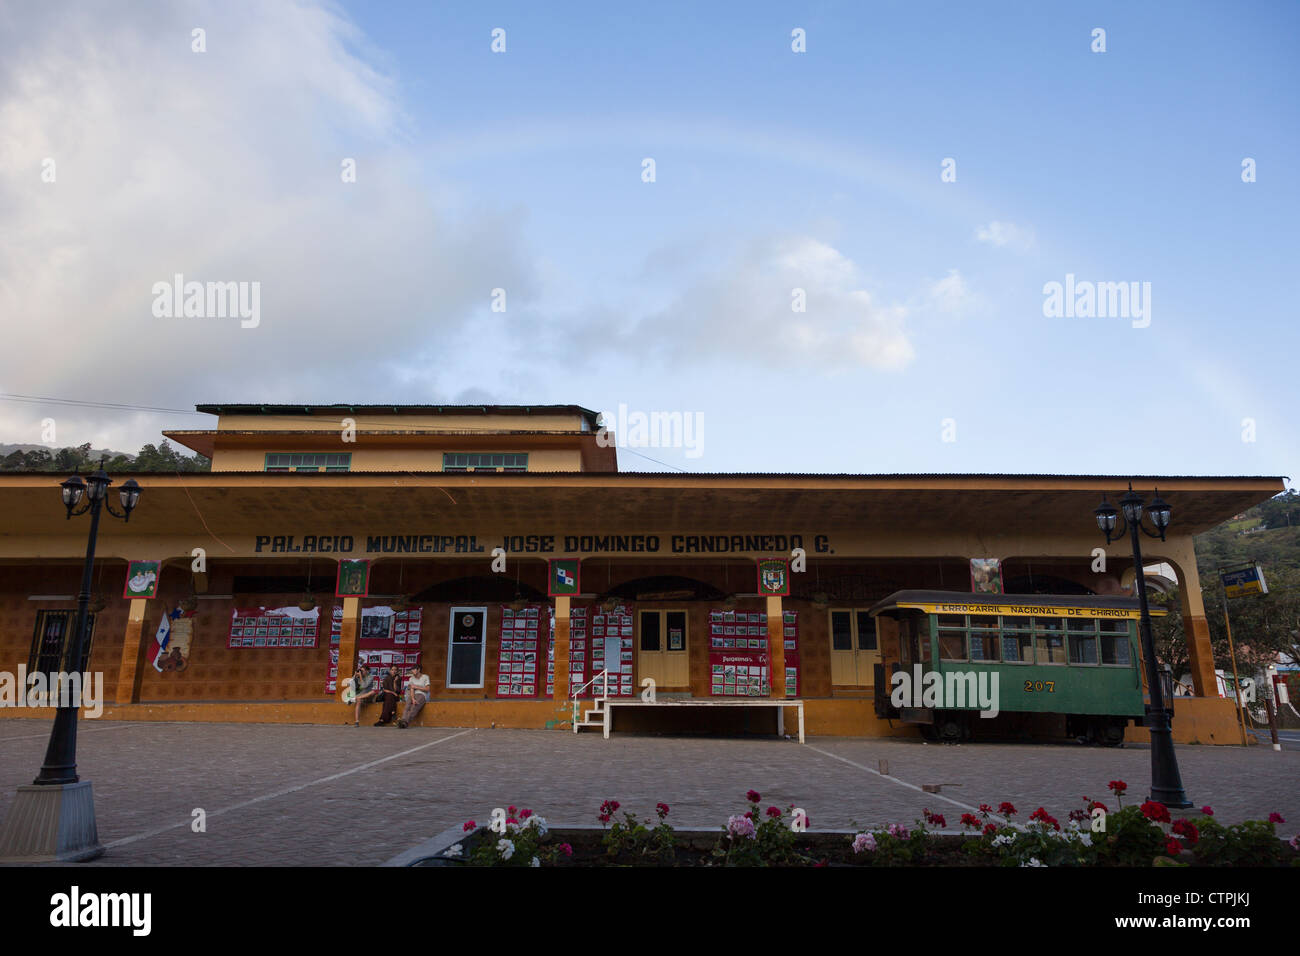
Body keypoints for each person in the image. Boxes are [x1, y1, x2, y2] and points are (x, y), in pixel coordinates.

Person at [398, 663, 430, 728]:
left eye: (414, 669)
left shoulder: (425, 677)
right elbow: (411, 689)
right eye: (412, 670)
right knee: (407, 706)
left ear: (418, 670)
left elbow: (427, 689)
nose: (412, 671)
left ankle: (406, 722)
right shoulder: (411, 678)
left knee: (414, 706)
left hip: (422, 694)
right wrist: (412, 698)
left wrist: (416, 687)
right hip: (413, 694)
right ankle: (403, 720)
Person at [351, 662, 376, 726]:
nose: (361, 672)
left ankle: (356, 698)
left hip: (368, 697)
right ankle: (357, 721)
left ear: (367, 671)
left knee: (373, 692)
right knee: (359, 700)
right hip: (361, 697)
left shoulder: (370, 677)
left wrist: (361, 677)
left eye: (362, 671)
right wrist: (355, 675)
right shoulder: (358, 677)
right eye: (360, 671)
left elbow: (364, 686)